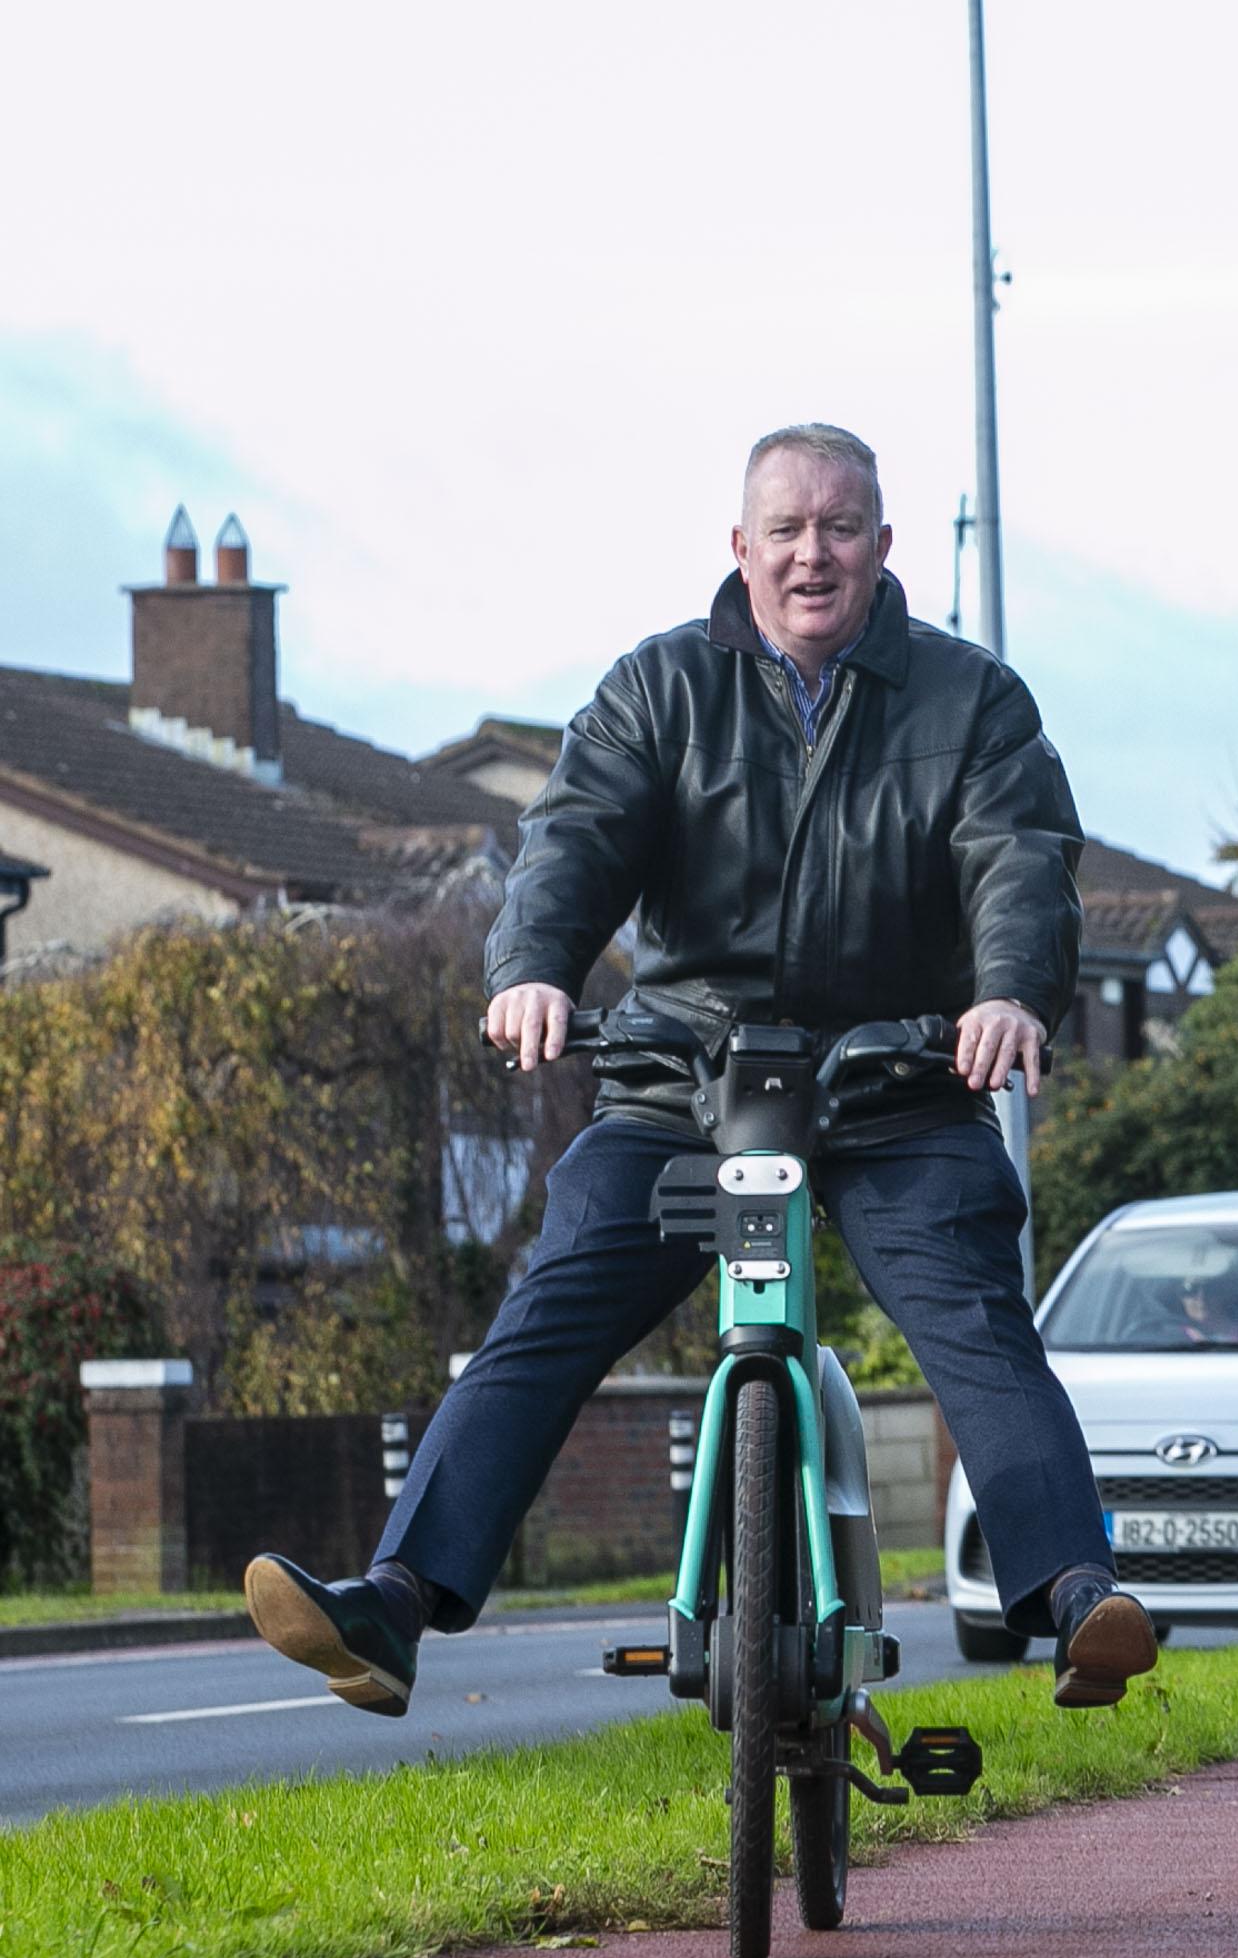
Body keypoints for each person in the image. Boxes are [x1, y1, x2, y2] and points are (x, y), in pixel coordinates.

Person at [242, 424, 1158, 1718]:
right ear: (740, 548)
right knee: (551, 1303)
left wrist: (1006, 995)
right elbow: (571, 836)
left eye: (840, 527)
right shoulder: (656, 690)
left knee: (977, 1321)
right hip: (687, 1085)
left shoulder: (974, 702)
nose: (812, 554)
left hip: (899, 1088)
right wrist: (534, 967)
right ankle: (394, 1606)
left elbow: (1020, 855)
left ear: (884, 547)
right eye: (785, 529)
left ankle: (1077, 1599)